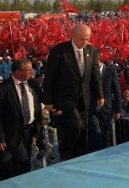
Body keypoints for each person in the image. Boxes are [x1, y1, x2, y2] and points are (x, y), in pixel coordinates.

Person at [43, 24, 104, 160]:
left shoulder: (92, 51)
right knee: (76, 126)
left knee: (83, 130)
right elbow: (49, 77)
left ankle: (79, 157)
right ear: (72, 36)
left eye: (87, 39)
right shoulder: (59, 51)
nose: (85, 42)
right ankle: (65, 149)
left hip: (85, 98)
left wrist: (100, 95)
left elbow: (95, 75)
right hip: (65, 98)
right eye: (82, 39)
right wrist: (48, 101)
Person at [0, 58, 45, 181]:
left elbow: (41, 102)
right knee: (9, 166)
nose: (32, 73)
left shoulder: (33, 84)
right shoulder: (2, 89)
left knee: (24, 164)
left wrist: (36, 131)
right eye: (29, 70)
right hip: (9, 134)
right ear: (18, 71)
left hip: (28, 132)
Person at [88, 60, 122, 153]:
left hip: (106, 108)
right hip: (92, 108)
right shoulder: (88, 71)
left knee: (106, 133)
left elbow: (116, 90)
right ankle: (98, 153)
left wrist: (118, 110)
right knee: (95, 132)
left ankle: (105, 153)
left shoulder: (110, 70)